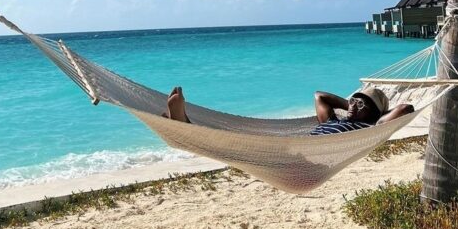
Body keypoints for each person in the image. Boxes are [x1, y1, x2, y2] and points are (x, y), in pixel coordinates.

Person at [162, 84, 413, 134]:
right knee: (241, 139)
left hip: (307, 155)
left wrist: (375, 116)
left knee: (240, 142)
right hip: (296, 144)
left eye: (361, 103)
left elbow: (406, 107)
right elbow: (320, 95)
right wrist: (351, 106)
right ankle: (183, 124)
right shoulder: (331, 122)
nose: (354, 103)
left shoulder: (368, 128)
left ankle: (183, 125)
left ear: (373, 113)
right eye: (353, 99)